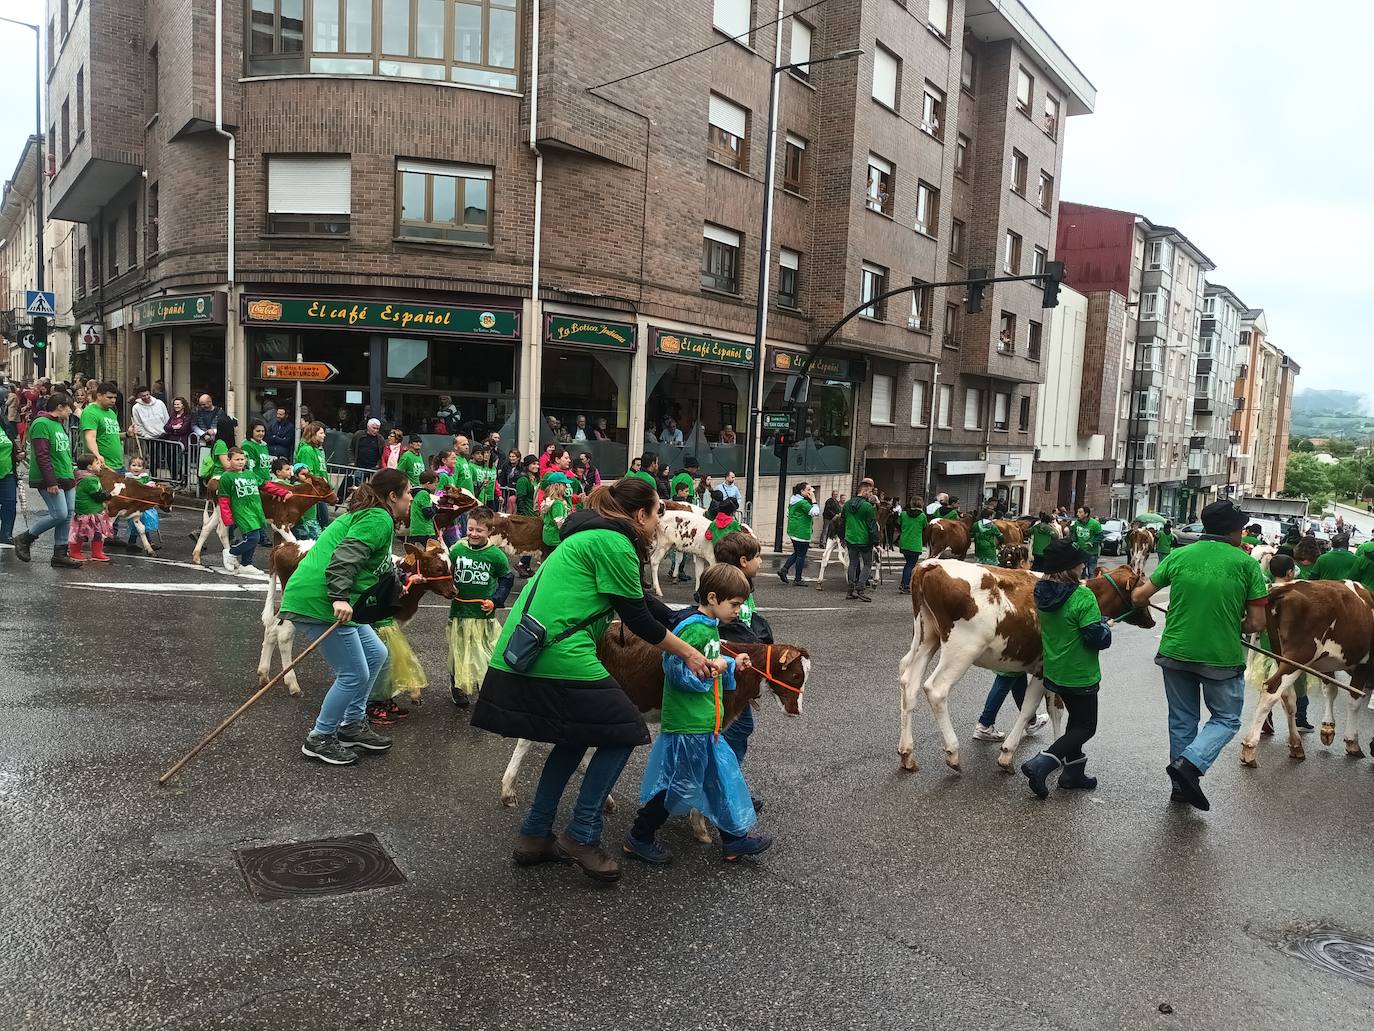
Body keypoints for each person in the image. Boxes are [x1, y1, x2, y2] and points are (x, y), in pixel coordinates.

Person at [471, 477, 715, 881]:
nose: (660, 522)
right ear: (640, 515)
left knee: (576, 737)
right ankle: (581, 833)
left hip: (527, 645)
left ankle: (534, 835)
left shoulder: (595, 534)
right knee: (624, 731)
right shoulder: (615, 543)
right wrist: (689, 652)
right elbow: (637, 617)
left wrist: (680, 617)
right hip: (556, 651)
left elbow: (637, 599)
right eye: (658, 514)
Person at [622, 563, 771, 866]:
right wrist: (717, 669)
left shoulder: (707, 626)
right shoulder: (693, 628)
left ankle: (734, 840)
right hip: (690, 724)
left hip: (705, 722)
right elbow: (677, 671)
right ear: (713, 598)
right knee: (681, 784)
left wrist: (729, 664)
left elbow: (709, 664)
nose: (740, 611)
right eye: (735, 604)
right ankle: (640, 834)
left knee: (719, 779)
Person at [1131, 499, 1268, 812]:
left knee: (1182, 719)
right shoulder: (1246, 564)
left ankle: (1180, 788)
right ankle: (1190, 765)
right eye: (1241, 527)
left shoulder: (1179, 555)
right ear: (1233, 530)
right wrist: (1234, 623)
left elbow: (1139, 596)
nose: (1243, 532)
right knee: (1227, 718)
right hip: (1221, 655)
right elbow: (1257, 622)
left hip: (1175, 651)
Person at [280, 468, 414, 766]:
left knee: (376, 653)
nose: (410, 499)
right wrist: (339, 596)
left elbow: (368, 565)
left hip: (327, 596)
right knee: (354, 673)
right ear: (393, 496)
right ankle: (320, 737)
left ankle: (352, 725)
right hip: (321, 600)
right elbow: (346, 556)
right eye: (408, 493)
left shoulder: (371, 515)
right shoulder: (378, 518)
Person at [1019, 539, 1114, 797]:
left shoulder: (1042, 591)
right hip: (1080, 674)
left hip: (1055, 670)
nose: (1084, 564)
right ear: (1070, 567)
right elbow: (1096, 639)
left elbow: (1069, 623)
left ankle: (1073, 774)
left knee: (1076, 720)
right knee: (1086, 726)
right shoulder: (1083, 595)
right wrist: (1105, 627)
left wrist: (1097, 622)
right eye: (1079, 561)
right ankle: (1042, 763)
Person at [712, 531, 772, 768]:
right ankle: (725, 787)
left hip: (736, 667)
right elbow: (732, 628)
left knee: (734, 728)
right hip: (730, 669)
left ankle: (725, 786)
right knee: (736, 727)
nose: (761, 562)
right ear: (743, 561)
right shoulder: (730, 588)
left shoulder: (741, 587)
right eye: (757, 556)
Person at [447, 506, 515, 708]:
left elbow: (506, 579)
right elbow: (444, 573)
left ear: (490, 531)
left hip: (483, 616)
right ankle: (457, 687)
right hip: (459, 614)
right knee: (458, 652)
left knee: (485, 652)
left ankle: (485, 688)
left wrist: (496, 600)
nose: (474, 534)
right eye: (471, 529)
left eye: (479, 530)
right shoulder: (457, 550)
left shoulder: (495, 555)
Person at [12, 393, 81, 567]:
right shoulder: (41, 423)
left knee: (67, 514)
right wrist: (50, 481)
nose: (70, 412)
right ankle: (25, 538)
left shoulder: (58, 424)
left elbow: (63, 451)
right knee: (59, 514)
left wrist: (72, 471)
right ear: (60, 407)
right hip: (51, 477)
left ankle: (60, 553)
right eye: (69, 408)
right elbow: (42, 454)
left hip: (65, 475)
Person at [1251, 554, 1316, 734]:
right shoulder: (1297, 593)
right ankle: (1300, 718)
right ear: (1289, 573)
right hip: (1293, 648)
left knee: (1269, 682)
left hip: (1268, 646)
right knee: (1299, 682)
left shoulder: (1266, 589)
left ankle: (1266, 719)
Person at [217, 447, 289, 577]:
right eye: (237, 459)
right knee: (254, 537)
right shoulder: (226, 477)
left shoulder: (250, 474)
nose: (240, 462)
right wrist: (227, 518)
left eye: (242, 459)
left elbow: (266, 485)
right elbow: (224, 499)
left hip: (255, 509)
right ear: (229, 460)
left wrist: (283, 492)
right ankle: (231, 552)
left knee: (252, 537)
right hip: (241, 510)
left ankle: (246, 564)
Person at [71, 453, 115, 563]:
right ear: (89, 467)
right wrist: (109, 495)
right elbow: (97, 495)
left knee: (92, 531)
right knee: (84, 532)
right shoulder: (90, 480)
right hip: (88, 511)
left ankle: (95, 552)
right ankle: (76, 552)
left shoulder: (85, 477)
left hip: (88, 510)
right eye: (97, 463)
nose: (100, 465)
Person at [843, 479, 879, 602]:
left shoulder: (847, 504)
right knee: (867, 564)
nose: (871, 495)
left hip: (850, 538)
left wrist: (843, 537)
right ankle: (860, 588)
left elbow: (842, 522)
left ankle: (850, 590)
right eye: (869, 492)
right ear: (864, 491)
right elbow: (872, 526)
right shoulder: (868, 507)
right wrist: (876, 542)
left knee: (853, 563)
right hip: (864, 540)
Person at [779, 483, 820, 586]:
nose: (810, 492)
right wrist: (814, 500)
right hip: (802, 533)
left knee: (797, 553)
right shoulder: (802, 503)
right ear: (801, 491)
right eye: (808, 490)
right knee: (801, 556)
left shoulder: (793, 500)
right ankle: (797, 579)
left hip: (793, 531)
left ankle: (784, 570)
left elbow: (788, 514)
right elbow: (815, 512)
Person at [123, 454, 161, 550]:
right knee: (135, 524)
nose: (136, 468)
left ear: (143, 468)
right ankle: (134, 543)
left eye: (139, 466)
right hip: (132, 506)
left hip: (143, 506)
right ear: (129, 467)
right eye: (134, 465)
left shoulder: (145, 478)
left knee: (144, 524)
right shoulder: (128, 479)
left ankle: (147, 542)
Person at [897, 497, 928, 593]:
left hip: (904, 543)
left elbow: (898, 524)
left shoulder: (903, 514)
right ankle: (905, 585)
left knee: (908, 564)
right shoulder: (922, 516)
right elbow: (925, 527)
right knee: (910, 565)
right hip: (915, 545)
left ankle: (903, 583)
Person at [1068, 506, 1103, 578]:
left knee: (1091, 572)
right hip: (1080, 552)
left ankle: (1091, 588)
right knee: (1079, 573)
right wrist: (1073, 543)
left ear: (1086, 514)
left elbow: (1100, 536)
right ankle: (1081, 587)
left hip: (1092, 553)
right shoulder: (1077, 523)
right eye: (1077, 512)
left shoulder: (1095, 523)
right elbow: (1073, 535)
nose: (1077, 514)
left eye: (1080, 512)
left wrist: (1092, 542)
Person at [406, 470, 439, 545]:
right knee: (434, 552)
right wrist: (436, 507)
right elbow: (428, 513)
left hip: (415, 530)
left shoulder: (417, 494)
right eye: (435, 483)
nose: (436, 485)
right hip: (425, 531)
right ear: (428, 484)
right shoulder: (424, 494)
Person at [541, 472, 572, 550]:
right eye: (564, 485)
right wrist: (568, 532)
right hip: (557, 538)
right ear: (556, 486)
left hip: (548, 536)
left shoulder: (548, 500)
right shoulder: (557, 503)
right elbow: (559, 521)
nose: (566, 487)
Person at [0, 415, 15, 546]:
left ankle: (6, 535)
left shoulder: (4, 424)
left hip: (8, 473)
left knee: (10, 504)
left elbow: (12, 443)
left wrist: (19, 453)